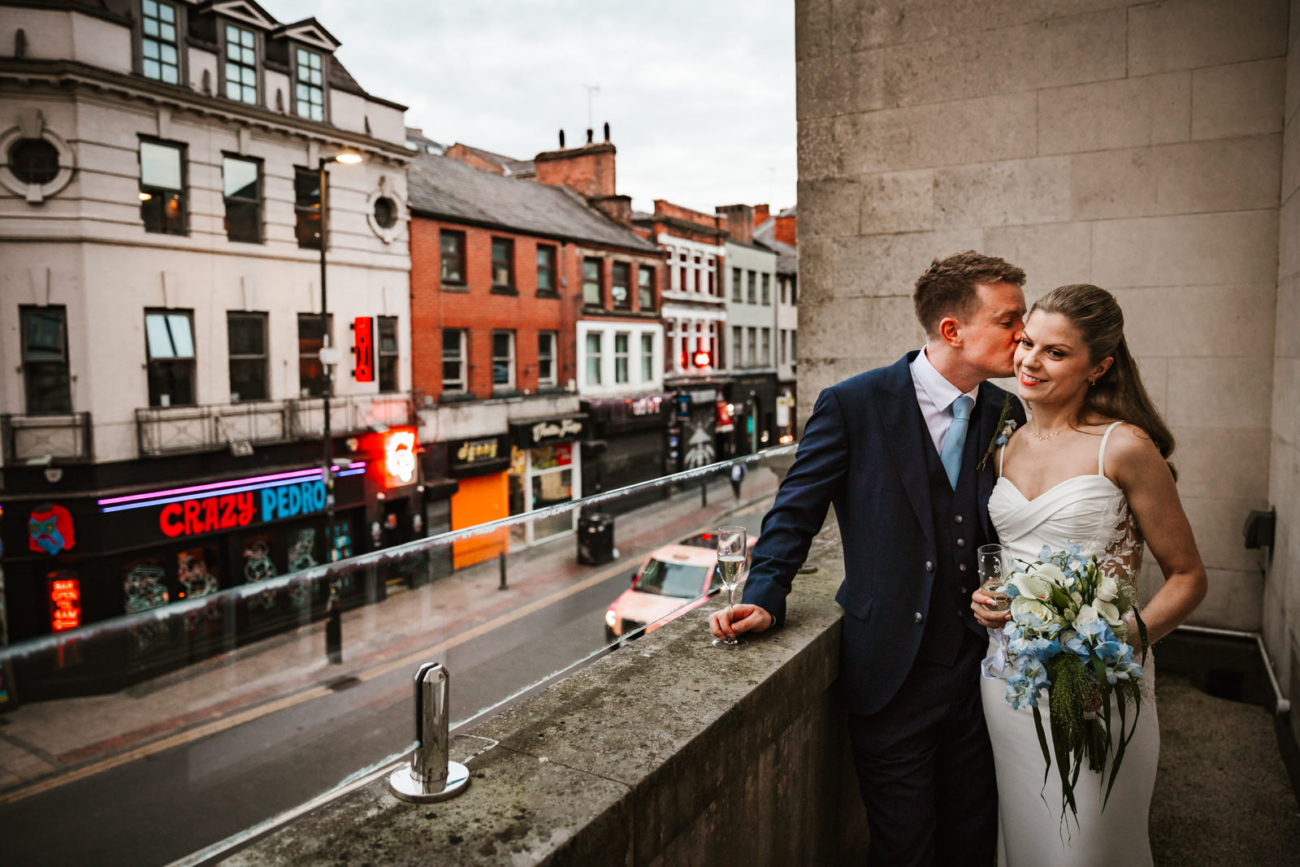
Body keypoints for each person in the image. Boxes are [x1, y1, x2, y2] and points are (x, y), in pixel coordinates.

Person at [710, 250, 1029, 866]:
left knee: (973, 842)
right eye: (1010, 320)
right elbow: (795, 511)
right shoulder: (854, 404)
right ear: (952, 330)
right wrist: (763, 595)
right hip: (892, 676)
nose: (1024, 336)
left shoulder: (1006, 413)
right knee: (904, 850)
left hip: (984, 673)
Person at [971, 284, 1206, 866]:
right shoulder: (1001, 447)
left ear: (1098, 366)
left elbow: (1188, 577)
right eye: (1028, 342)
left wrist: (1111, 650)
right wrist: (988, 597)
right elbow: (1011, 557)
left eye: (1056, 352)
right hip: (1008, 681)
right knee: (1026, 836)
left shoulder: (1123, 446)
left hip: (1100, 681)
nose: (1029, 359)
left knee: (1088, 845)